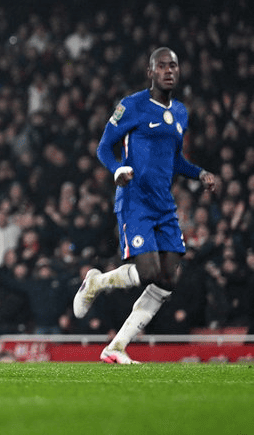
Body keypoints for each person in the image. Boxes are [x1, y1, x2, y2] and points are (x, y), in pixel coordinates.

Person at [73, 47, 217, 364]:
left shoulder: (180, 113)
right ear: (150, 72)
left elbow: (175, 159)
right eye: (161, 66)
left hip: (164, 205)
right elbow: (103, 147)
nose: (168, 71)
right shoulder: (132, 106)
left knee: (168, 279)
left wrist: (199, 173)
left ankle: (116, 347)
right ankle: (95, 282)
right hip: (135, 201)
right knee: (148, 271)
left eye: (173, 66)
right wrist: (117, 169)